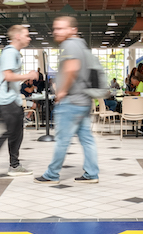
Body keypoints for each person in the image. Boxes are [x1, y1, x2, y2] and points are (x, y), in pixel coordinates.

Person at [34, 16, 99, 184]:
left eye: (61, 28)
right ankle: (91, 173)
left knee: (62, 140)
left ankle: (52, 174)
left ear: (73, 30)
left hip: (71, 102)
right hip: (84, 100)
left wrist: (61, 92)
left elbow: (72, 69)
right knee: (87, 139)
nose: (56, 31)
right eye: (55, 28)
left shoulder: (70, 44)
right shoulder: (82, 45)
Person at [0, 25, 37, 179]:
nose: (29, 38)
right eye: (26, 35)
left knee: (17, 132)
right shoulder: (10, 52)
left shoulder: (14, 53)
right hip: (7, 100)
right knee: (10, 132)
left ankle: (14, 165)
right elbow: (8, 76)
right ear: (18, 36)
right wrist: (28, 75)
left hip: (13, 99)